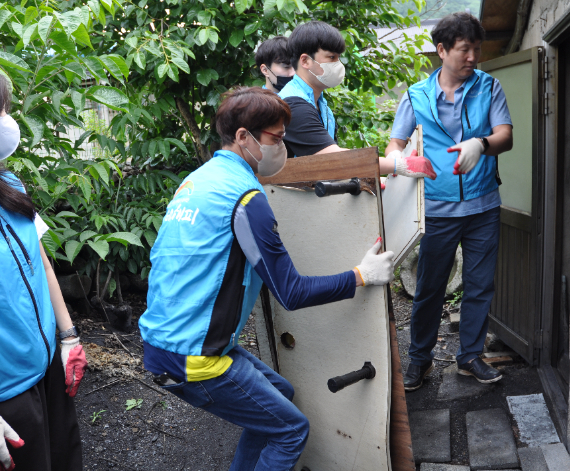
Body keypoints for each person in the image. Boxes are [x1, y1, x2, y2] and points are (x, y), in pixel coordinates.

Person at [139, 87, 395, 470]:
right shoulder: (245, 198)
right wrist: (361, 275)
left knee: (281, 393)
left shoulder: (200, 180)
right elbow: (290, 292)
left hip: (169, 338)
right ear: (243, 137)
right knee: (290, 430)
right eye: (277, 138)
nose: (284, 147)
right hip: (194, 356)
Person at [0, 58, 87, 471]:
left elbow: (42, 265)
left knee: (66, 460)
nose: (9, 121)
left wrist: (68, 337)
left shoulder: (8, 185)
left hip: (49, 367)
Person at [385, 12, 513, 390]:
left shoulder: (489, 88)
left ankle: (470, 356)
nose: (473, 56)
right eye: (464, 49)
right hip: (436, 211)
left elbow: (505, 135)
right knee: (429, 288)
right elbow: (396, 142)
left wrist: (481, 143)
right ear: (441, 50)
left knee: (479, 285)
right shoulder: (415, 96)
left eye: (476, 48)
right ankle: (419, 360)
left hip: (482, 207)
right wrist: (400, 161)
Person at [279, 21, 436, 181]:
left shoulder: (320, 104)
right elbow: (332, 158)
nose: (338, 65)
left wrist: (365, 180)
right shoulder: (293, 105)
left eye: (338, 58)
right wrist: (398, 165)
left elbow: (324, 166)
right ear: (305, 61)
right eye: (331, 57)